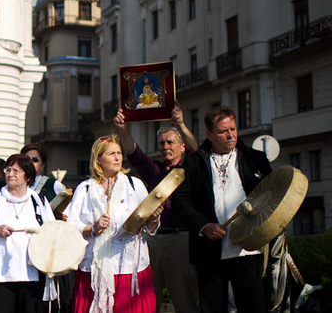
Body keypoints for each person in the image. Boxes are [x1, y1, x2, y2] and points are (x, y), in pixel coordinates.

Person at [171, 107, 272, 313]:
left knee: (253, 306)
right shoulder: (193, 162)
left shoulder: (256, 158)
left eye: (233, 129)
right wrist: (203, 225)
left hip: (247, 249)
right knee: (212, 308)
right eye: (223, 131)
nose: (230, 135)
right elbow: (180, 201)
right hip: (209, 251)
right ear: (209, 134)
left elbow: (270, 195)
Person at [115, 104, 200, 313]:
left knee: (183, 300)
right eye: (161, 143)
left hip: (180, 240)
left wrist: (180, 123)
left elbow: (196, 149)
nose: (165, 147)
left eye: (170, 142)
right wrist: (123, 129)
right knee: (148, 300)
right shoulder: (154, 169)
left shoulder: (190, 166)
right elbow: (133, 152)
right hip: (151, 240)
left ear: (181, 147)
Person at [65, 135, 160, 313]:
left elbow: (148, 227)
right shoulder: (85, 188)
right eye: (111, 154)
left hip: (130, 267)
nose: (117, 157)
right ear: (99, 159)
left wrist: (154, 217)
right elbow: (71, 225)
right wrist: (93, 228)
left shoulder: (134, 184)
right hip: (96, 267)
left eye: (119, 153)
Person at [0, 154, 57, 313]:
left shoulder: (39, 202)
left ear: (28, 176)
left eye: (16, 171)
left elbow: (52, 233)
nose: (10, 174)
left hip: (32, 276)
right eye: (8, 170)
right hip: (0, 277)